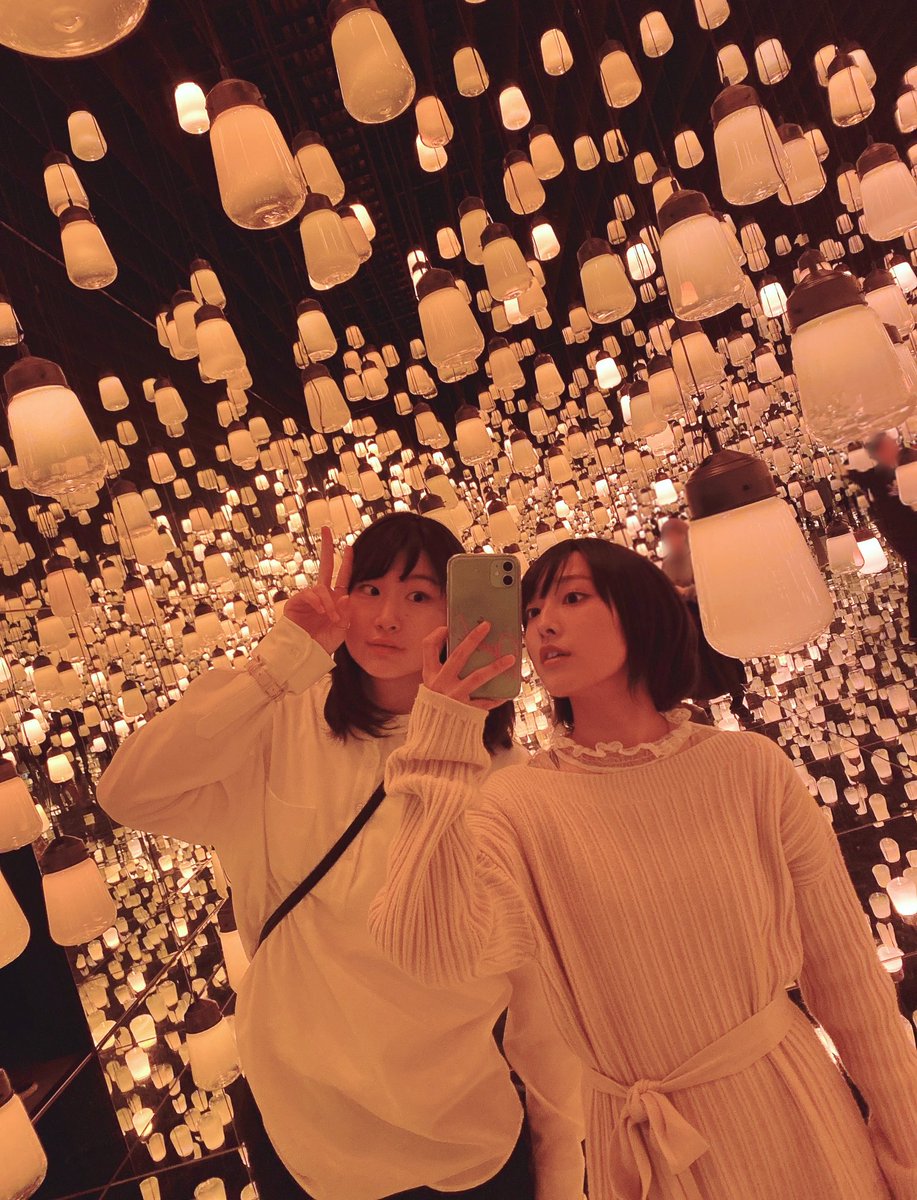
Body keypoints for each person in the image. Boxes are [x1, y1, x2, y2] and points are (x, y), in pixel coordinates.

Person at [370, 537, 917, 1200]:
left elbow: (849, 982)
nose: (542, 625)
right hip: (638, 1146)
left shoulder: (746, 770)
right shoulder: (517, 803)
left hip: (792, 1117)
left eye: (572, 598)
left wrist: (907, 1157)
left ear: (640, 612)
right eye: (531, 611)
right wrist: (441, 737)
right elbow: (426, 949)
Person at [98, 514, 585, 1200]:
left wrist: (560, 1172)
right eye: (369, 589)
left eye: (418, 596)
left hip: (460, 1137)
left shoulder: (504, 777)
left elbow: (540, 1006)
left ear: (462, 614)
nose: (386, 617)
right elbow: (128, 793)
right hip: (301, 1131)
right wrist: (281, 661)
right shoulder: (278, 722)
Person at [657, 517, 749, 723]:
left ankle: (736, 695)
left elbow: (711, 583)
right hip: (687, 617)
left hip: (706, 612)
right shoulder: (669, 563)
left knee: (720, 656)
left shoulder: (699, 556)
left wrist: (686, 592)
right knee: (696, 659)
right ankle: (703, 702)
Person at [846, 432, 917, 643]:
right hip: (904, 532)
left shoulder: (899, 465)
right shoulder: (878, 475)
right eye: (890, 444)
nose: (895, 445)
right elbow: (854, 473)